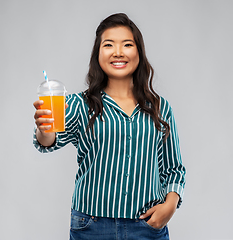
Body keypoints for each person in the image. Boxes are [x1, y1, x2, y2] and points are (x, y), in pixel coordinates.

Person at [33, 13, 186, 240]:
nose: (118, 52)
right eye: (108, 45)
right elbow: (49, 141)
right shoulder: (79, 105)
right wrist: (44, 128)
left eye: (127, 44)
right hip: (91, 226)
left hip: (146, 227)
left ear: (139, 53)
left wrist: (170, 206)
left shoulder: (160, 108)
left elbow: (174, 169)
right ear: (98, 54)